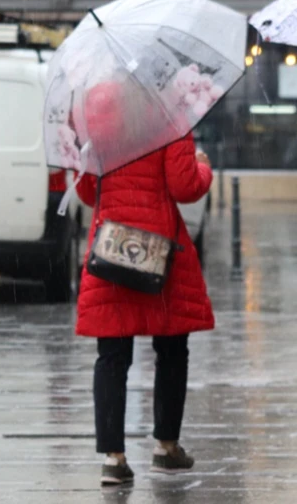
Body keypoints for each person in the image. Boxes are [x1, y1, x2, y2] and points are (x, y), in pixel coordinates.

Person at [73, 81, 214, 487]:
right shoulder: (170, 120)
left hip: (113, 250)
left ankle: (114, 460)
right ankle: (166, 448)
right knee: (171, 348)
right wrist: (203, 165)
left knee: (112, 356)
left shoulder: (97, 129)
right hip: (160, 256)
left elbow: (86, 191)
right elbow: (185, 187)